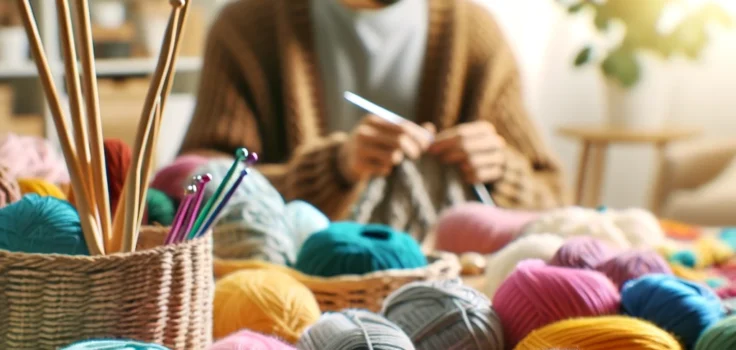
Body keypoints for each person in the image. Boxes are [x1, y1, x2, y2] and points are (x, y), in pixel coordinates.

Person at [179, 0, 569, 221]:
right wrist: (332, 172)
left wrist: (500, 172)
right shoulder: (247, 29)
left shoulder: (474, 35)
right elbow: (186, 191)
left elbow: (555, 197)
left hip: (451, 287)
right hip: (292, 286)